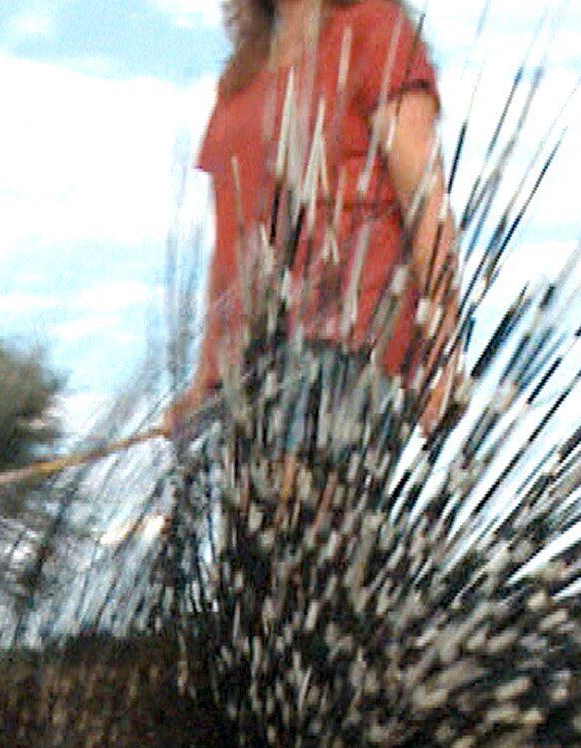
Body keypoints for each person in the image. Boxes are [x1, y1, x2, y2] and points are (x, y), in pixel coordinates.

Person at [172, 0, 462, 440]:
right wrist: (205, 378)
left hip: (349, 339)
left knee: (300, 500)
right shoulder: (242, 75)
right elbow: (231, 239)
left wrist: (443, 354)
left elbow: (425, 203)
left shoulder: (373, 26)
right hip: (248, 365)